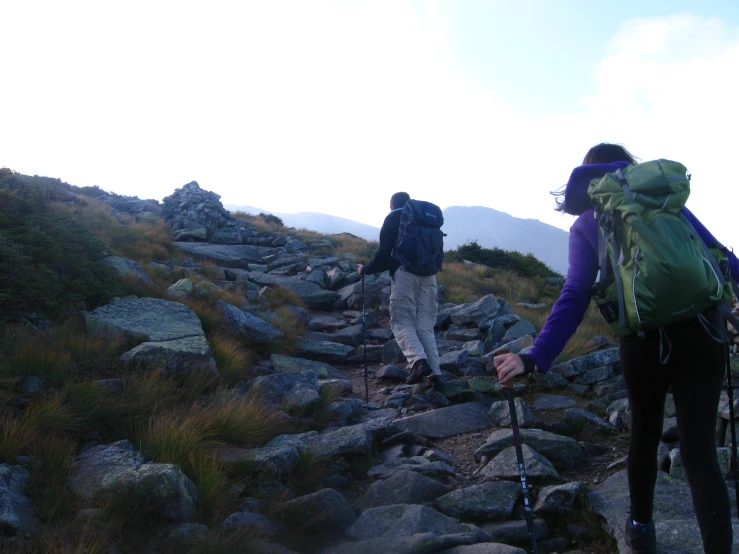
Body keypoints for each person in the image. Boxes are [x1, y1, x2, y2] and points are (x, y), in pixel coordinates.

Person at [494, 143, 739, 554]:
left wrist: (535, 355)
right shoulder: (662, 200)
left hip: (643, 345)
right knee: (700, 453)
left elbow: (575, 293)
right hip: (703, 332)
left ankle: (641, 529)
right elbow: (719, 255)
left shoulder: (589, 222)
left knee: (644, 436)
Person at [358, 191, 443, 389]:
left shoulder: (394, 217)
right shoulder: (425, 220)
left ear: (391, 205)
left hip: (405, 274)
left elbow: (384, 254)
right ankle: (436, 376)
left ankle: (418, 363)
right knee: (425, 326)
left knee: (402, 322)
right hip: (429, 276)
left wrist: (366, 269)